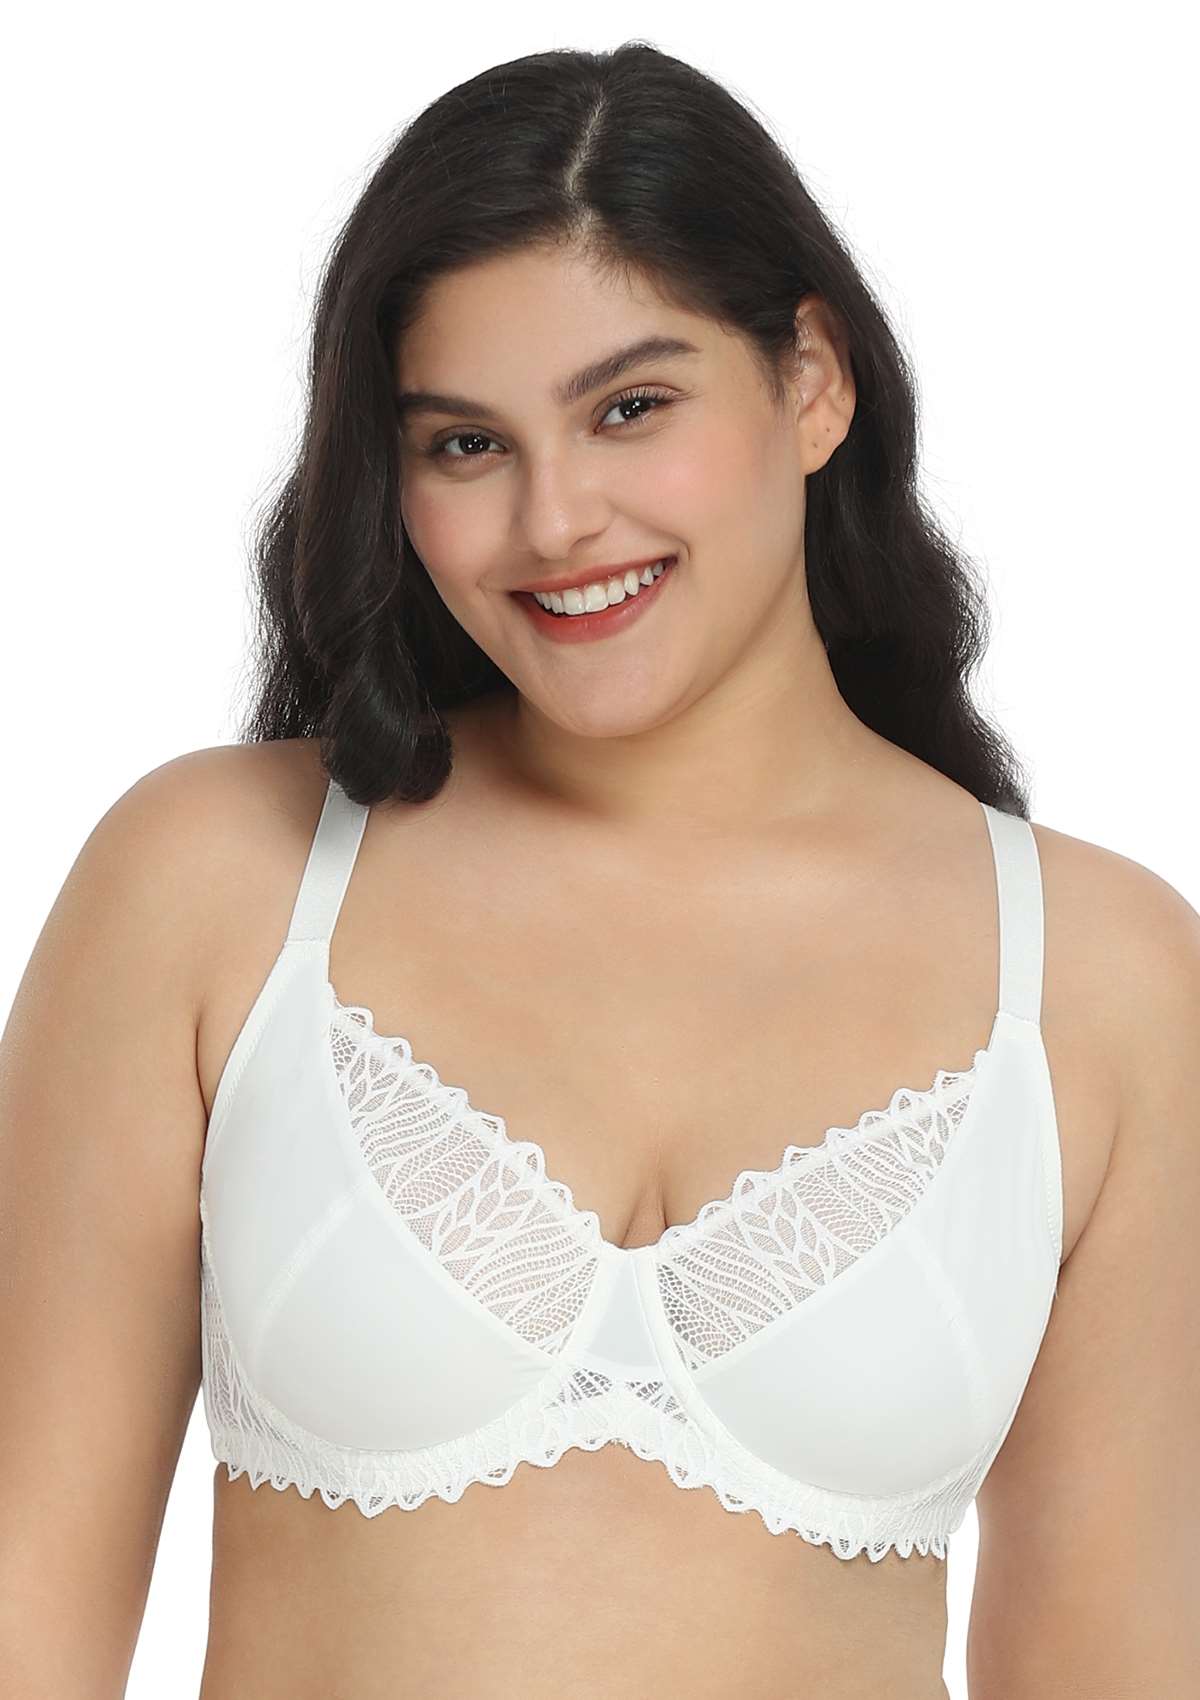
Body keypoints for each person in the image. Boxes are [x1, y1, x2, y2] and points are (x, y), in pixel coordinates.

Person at [2, 39, 1197, 1700]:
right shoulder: (218, 882)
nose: (556, 520)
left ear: (813, 383)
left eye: (630, 408)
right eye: (464, 445)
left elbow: (1110, 1663)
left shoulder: (1100, 980)